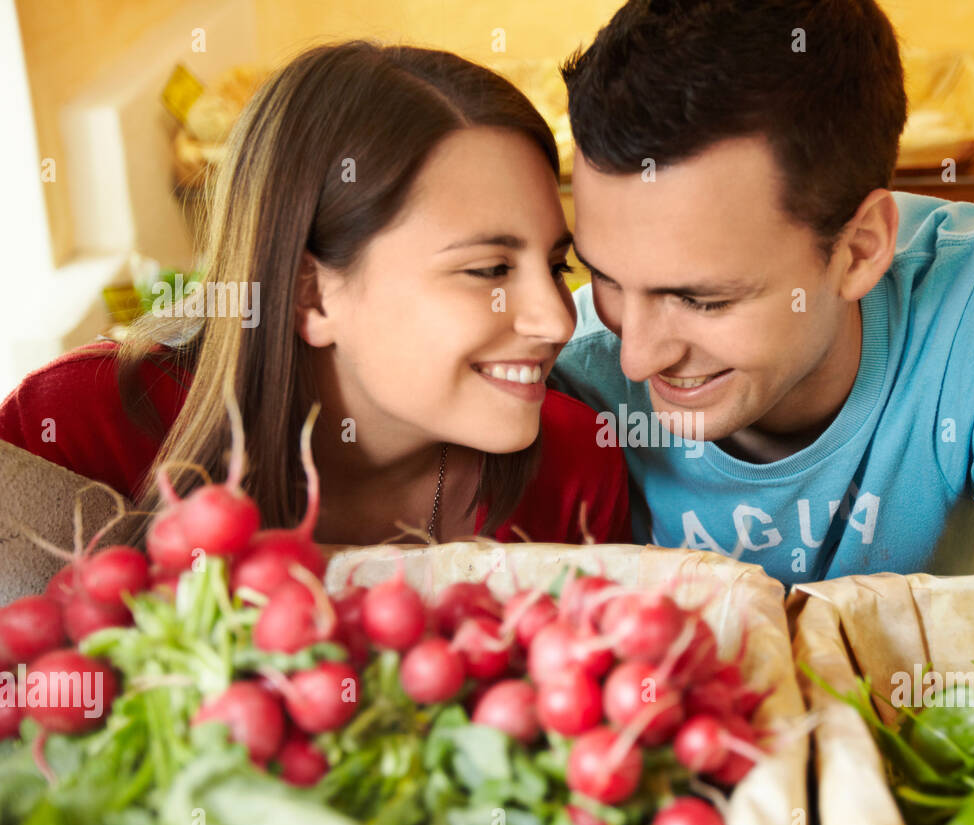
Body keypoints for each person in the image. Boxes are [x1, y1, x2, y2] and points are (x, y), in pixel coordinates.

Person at [550, 0, 974, 587]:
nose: (635, 356)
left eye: (703, 300)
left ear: (859, 251)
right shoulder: (566, 365)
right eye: (602, 276)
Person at [0, 42, 629, 548]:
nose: (556, 319)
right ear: (311, 294)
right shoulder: (70, 429)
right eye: (490, 269)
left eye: (555, 265)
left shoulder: (577, 467)